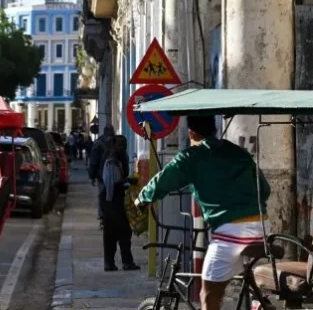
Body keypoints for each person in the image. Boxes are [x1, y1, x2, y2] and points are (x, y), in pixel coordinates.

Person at [135, 116, 271, 310]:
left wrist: (142, 198)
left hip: (231, 234)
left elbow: (165, 180)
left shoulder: (192, 156)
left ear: (191, 133)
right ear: (214, 130)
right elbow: (264, 190)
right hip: (260, 226)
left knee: (208, 295)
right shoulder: (238, 152)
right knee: (235, 282)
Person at [101, 135, 140, 271]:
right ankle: (125, 262)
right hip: (111, 202)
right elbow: (112, 185)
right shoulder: (112, 162)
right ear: (114, 145)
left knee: (112, 234)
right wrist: (127, 181)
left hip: (112, 202)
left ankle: (111, 263)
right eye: (120, 145)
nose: (123, 147)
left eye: (124, 144)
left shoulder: (118, 160)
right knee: (122, 232)